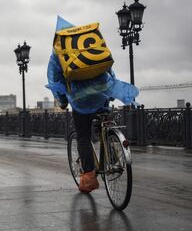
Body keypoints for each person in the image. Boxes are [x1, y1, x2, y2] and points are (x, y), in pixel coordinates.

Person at [46, 16, 138, 193]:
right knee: (103, 120)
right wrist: (109, 89)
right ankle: (111, 145)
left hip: (80, 100)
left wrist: (64, 101)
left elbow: (55, 80)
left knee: (82, 136)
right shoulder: (89, 43)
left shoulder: (59, 51)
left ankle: (89, 177)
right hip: (102, 92)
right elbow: (107, 67)